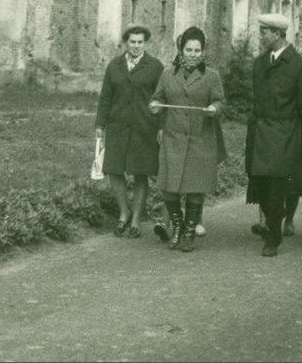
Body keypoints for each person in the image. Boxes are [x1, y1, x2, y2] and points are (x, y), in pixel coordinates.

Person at [149, 26, 226, 252]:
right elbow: (157, 98)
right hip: (173, 138)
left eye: (197, 50)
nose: (193, 54)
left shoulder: (211, 76)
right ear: (181, 50)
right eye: (189, 50)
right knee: (169, 187)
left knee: (195, 186)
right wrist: (154, 106)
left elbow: (221, 102)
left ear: (203, 52)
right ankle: (177, 226)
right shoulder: (167, 74)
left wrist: (214, 108)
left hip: (200, 139)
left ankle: (190, 232)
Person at [244, 13, 302, 257]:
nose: (261, 35)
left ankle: (273, 236)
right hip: (259, 131)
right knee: (259, 184)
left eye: (264, 31)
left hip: (285, 133)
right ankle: (275, 220)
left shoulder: (300, 67)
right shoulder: (260, 63)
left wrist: (300, 139)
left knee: (276, 186)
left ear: (277, 34)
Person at [95, 25, 164, 238]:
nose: (136, 46)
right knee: (114, 169)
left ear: (145, 43)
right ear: (126, 42)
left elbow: (162, 99)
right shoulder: (114, 66)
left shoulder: (155, 67)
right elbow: (106, 98)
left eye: (140, 42)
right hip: (118, 126)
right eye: (132, 42)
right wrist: (100, 125)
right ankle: (123, 214)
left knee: (140, 171)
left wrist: (161, 126)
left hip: (144, 127)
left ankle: (135, 220)